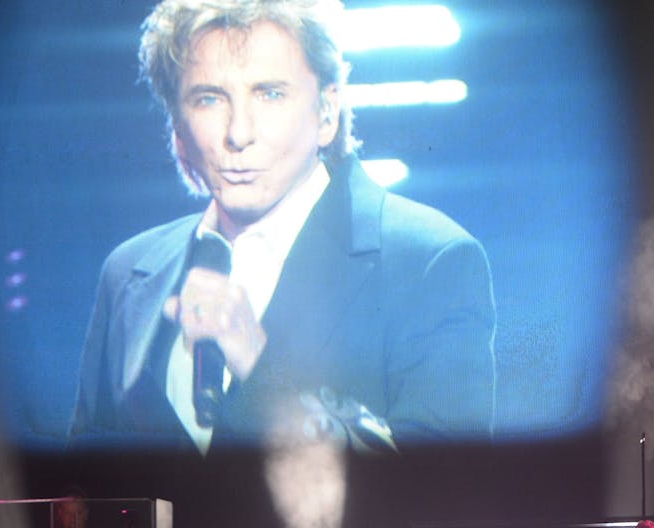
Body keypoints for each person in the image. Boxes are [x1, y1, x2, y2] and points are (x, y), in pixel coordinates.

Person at [69, 0, 497, 456]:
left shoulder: (430, 261)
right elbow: (83, 494)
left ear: (327, 112)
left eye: (269, 93)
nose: (239, 133)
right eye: (209, 98)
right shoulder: (129, 272)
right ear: (177, 127)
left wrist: (261, 366)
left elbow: (440, 498)